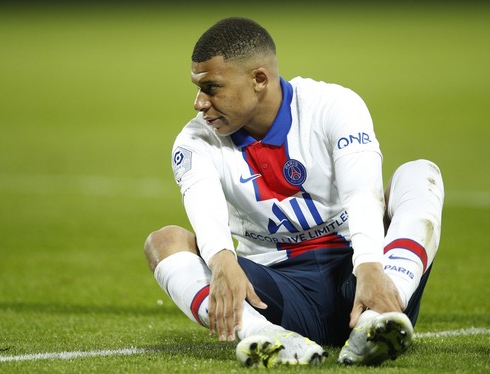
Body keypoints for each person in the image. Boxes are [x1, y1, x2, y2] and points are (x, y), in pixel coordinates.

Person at [144, 17, 444, 367]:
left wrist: (369, 266)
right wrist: (221, 258)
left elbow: (363, 194)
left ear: (259, 80)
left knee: (420, 173)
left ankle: (376, 323)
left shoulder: (333, 106)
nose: (199, 102)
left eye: (211, 88)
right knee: (163, 242)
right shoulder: (194, 141)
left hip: (362, 277)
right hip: (276, 290)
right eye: (197, 88)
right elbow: (203, 205)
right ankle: (264, 335)